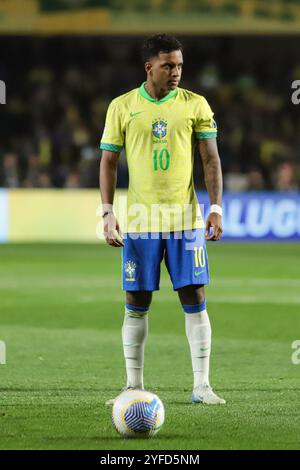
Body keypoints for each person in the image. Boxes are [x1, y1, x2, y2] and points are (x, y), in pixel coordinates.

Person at [100, 34, 225, 405]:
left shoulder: (195, 104)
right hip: (140, 220)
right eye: (168, 65)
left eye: (180, 66)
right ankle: (132, 385)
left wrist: (215, 207)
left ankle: (202, 386)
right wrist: (107, 212)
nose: (176, 72)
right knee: (136, 299)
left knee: (194, 295)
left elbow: (211, 160)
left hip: (185, 219)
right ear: (149, 67)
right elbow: (108, 162)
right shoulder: (122, 107)